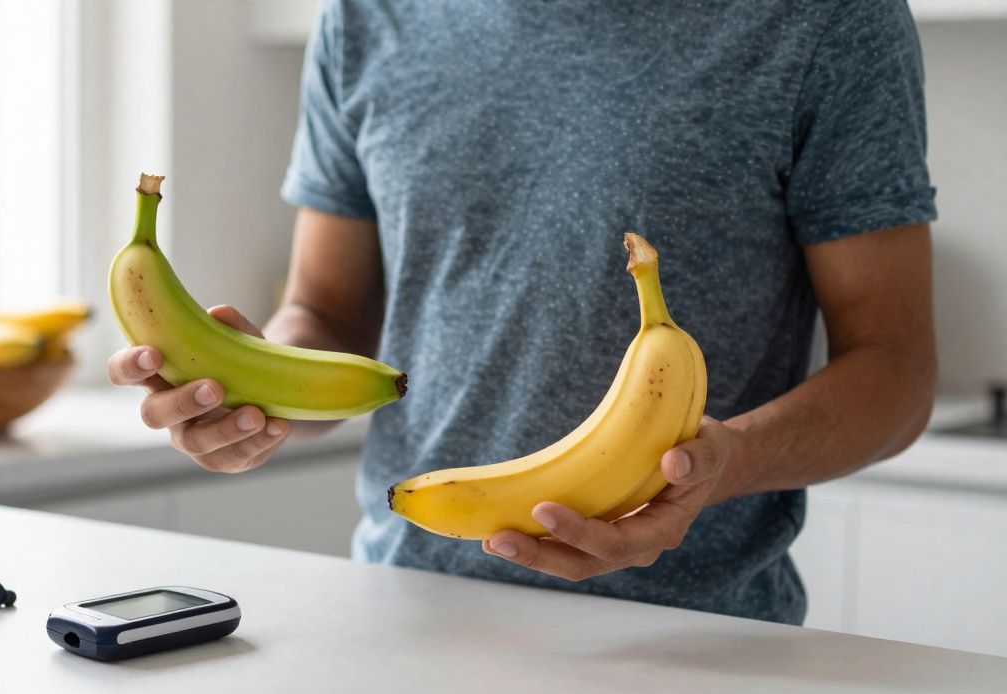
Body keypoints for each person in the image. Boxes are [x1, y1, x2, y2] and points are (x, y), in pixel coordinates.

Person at [107, 0, 936, 625]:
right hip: (402, 618)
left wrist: (727, 463)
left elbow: (894, 367)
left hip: (695, 646)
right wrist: (256, 392)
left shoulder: (828, 20)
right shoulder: (367, 16)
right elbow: (323, 313)